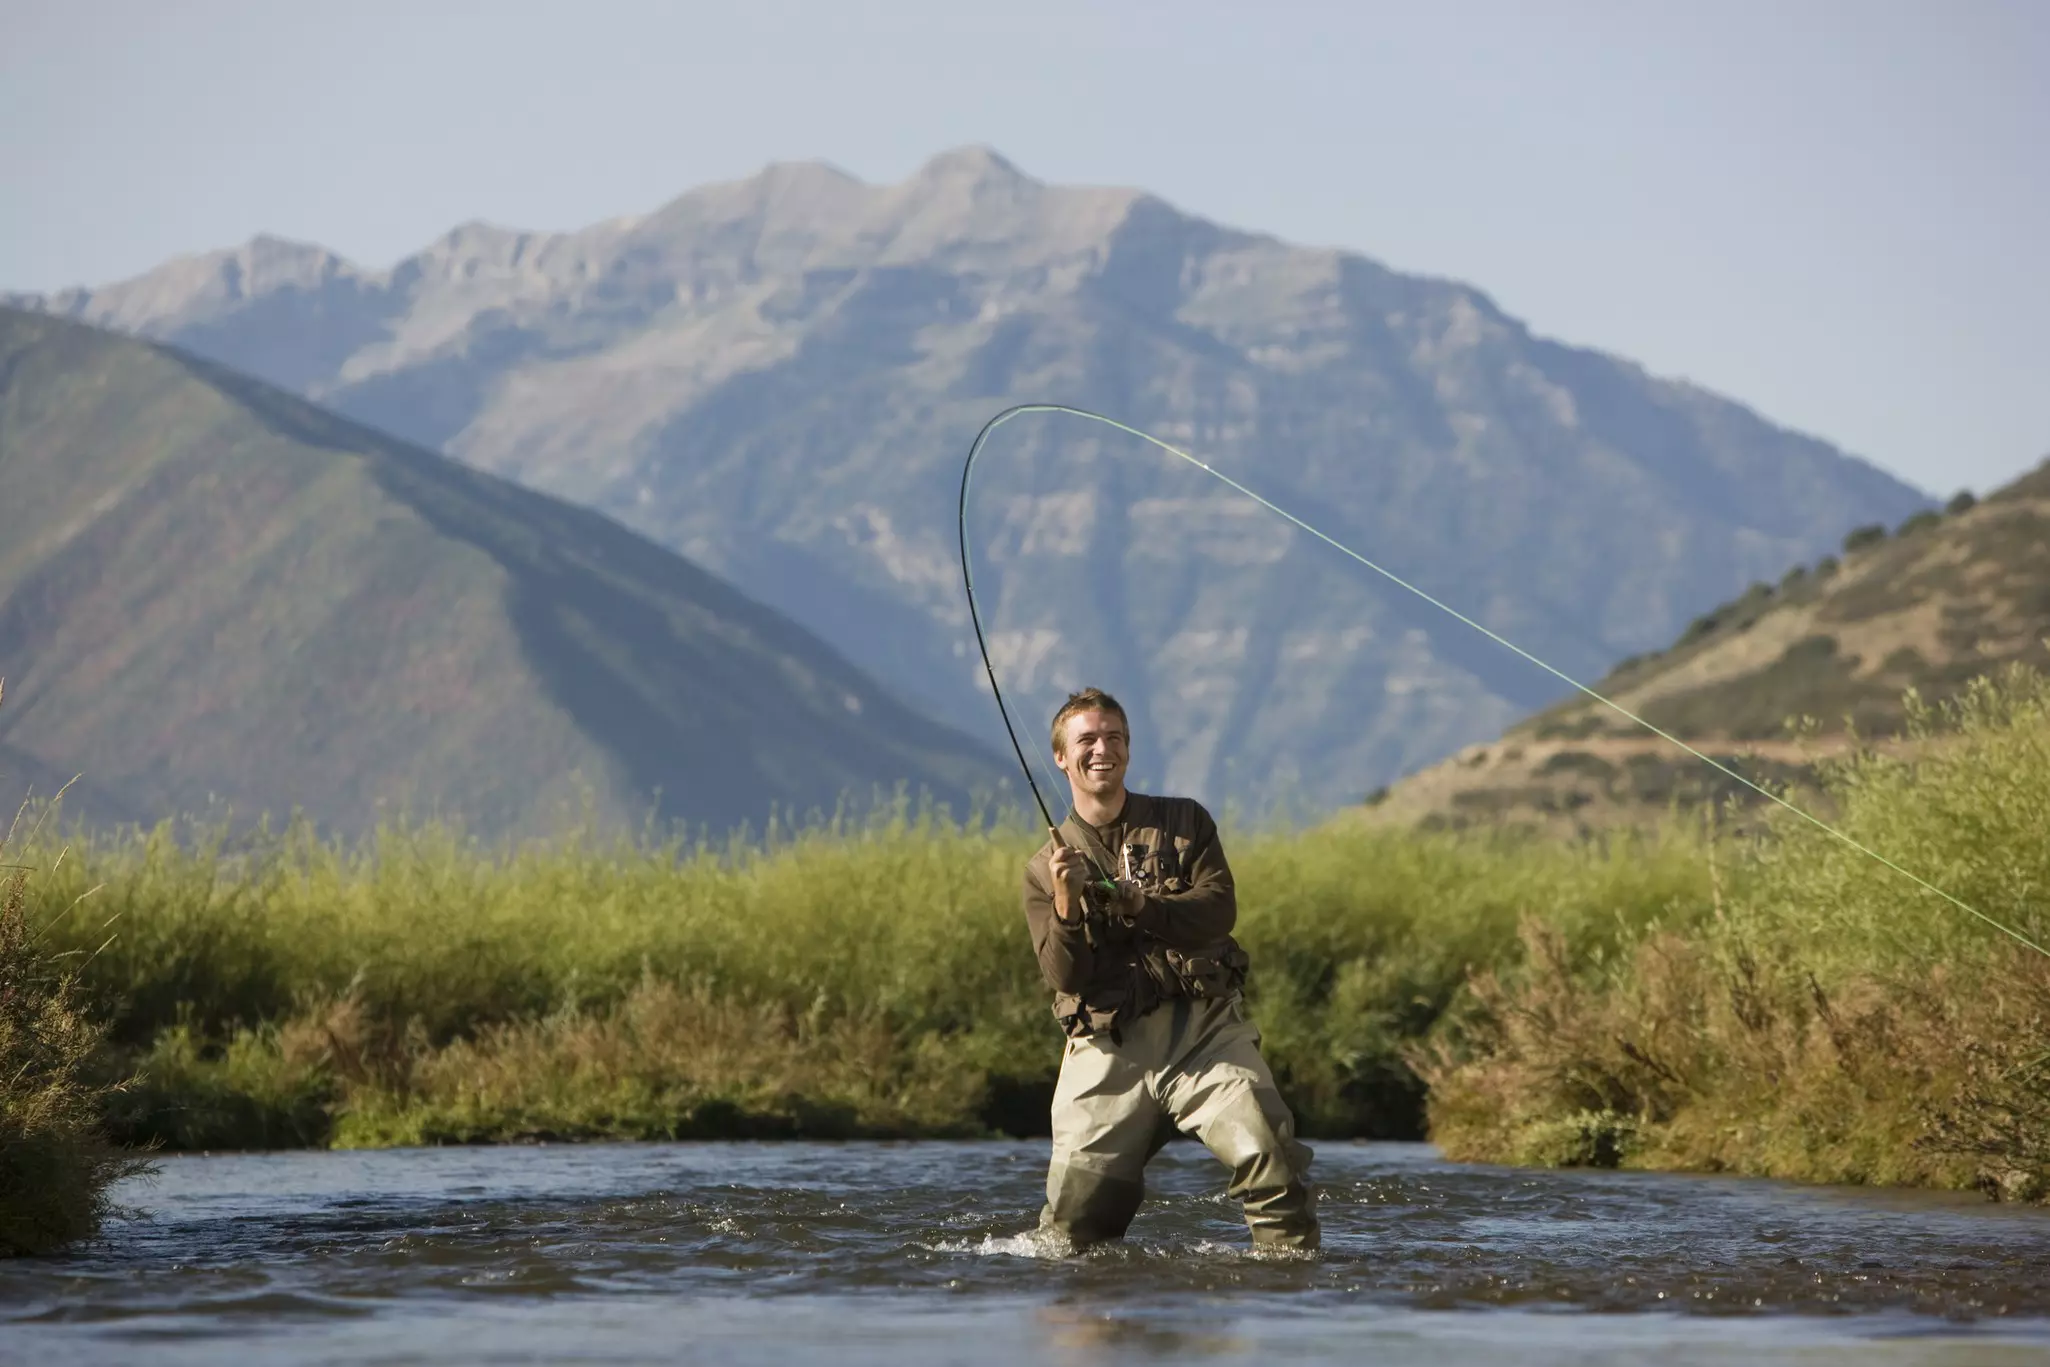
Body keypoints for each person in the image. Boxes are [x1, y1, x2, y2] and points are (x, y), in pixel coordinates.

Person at [1020, 687, 1318, 1250]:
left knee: (1269, 1161)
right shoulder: (1042, 869)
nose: (1102, 749)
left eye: (1115, 738)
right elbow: (1065, 977)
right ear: (1061, 757)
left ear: (1129, 748)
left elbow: (1218, 911)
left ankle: (1291, 1292)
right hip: (1108, 1052)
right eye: (1086, 739)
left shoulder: (1186, 823)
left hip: (1204, 1037)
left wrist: (1143, 905)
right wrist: (1065, 902)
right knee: (1073, 1232)